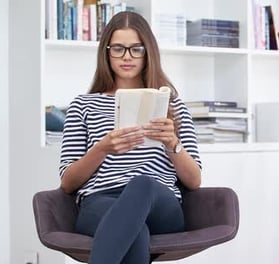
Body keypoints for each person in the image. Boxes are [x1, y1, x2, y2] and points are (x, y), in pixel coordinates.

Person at [59, 11, 202, 264]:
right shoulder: (83, 105)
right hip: (100, 199)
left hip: (160, 203)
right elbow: (68, 183)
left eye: (136, 49)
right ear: (106, 52)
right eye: (118, 49)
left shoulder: (173, 105)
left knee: (142, 184)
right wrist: (102, 148)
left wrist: (173, 144)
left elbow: (194, 180)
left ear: (148, 53)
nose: (127, 56)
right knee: (135, 232)